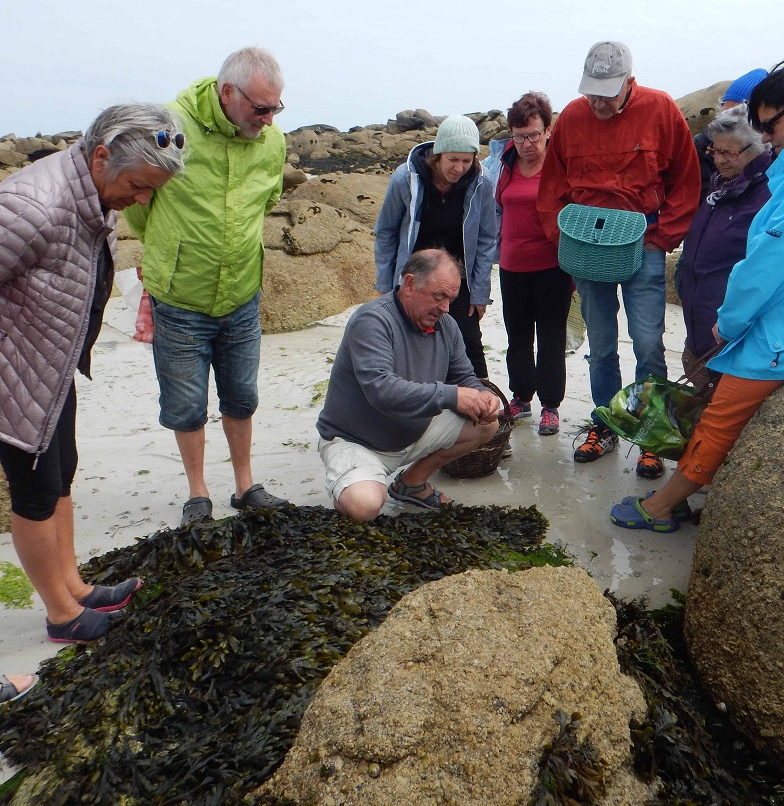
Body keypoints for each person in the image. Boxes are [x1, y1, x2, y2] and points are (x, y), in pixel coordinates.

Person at [612, 58, 784, 532]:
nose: (766, 138)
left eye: (769, 125)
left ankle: (663, 508)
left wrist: (728, 324)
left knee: (720, 416)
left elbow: (768, 266)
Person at [0, 104, 184, 641]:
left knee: (61, 477)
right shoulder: (31, 205)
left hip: (52, 365)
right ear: (101, 156)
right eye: (138, 184)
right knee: (34, 496)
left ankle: (74, 586)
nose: (142, 199)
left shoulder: (90, 193)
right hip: (17, 375)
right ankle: (61, 613)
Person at [125, 48, 289, 526]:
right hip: (180, 297)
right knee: (186, 403)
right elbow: (139, 203)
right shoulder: (170, 129)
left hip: (241, 293)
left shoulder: (271, 141)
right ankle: (198, 492)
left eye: (276, 107)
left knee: (241, 395)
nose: (269, 118)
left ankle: (244, 485)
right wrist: (172, 251)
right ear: (227, 93)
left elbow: (269, 197)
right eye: (261, 108)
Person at [537, 40, 700, 479]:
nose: (598, 101)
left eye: (607, 92)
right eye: (592, 91)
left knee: (648, 343)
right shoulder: (572, 116)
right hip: (587, 244)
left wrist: (662, 237)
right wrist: (561, 239)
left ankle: (650, 432)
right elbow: (552, 184)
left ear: (630, 82)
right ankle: (605, 424)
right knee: (602, 345)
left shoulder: (661, 109)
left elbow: (687, 179)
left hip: (642, 240)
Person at [317, 249, 500, 523]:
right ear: (410, 284)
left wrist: (483, 397)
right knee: (365, 507)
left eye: (451, 299)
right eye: (439, 297)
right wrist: (452, 395)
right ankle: (351, 483)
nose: (446, 308)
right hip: (356, 442)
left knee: (486, 424)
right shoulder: (372, 320)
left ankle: (411, 483)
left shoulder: (447, 326)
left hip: (414, 432)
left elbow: (465, 379)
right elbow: (382, 390)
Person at [374, 115, 498, 378]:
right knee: (411, 338)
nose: (459, 168)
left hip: (459, 277)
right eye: (453, 159)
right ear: (437, 155)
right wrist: (386, 286)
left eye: (467, 160)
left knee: (469, 342)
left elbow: (487, 238)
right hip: (415, 275)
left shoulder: (482, 182)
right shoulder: (406, 178)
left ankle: (480, 401)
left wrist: (479, 293)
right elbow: (386, 232)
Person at [678, 104, 773, 386]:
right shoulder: (719, 186)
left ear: (757, 148)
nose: (718, 160)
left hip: (731, 339)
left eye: (728, 153)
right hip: (700, 331)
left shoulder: (766, 195)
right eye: (714, 151)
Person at [496, 92, 571, 436]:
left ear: (548, 130)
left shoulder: (560, 166)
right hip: (512, 266)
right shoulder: (504, 164)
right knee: (518, 336)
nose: (526, 143)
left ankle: (551, 406)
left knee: (552, 337)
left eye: (533, 134)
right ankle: (521, 396)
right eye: (519, 135)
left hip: (552, 267)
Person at [695, 68, 768, 200]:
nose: (729, 119)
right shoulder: (701, 149)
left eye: (740, 113)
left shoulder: (773, 173)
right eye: (725, 112)